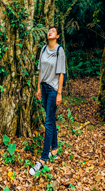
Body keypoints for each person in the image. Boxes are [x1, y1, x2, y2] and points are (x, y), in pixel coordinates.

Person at [29, 25, 66, 176]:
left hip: (53, 89)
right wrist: (38, 88)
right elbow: (40, 70)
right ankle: (55, 148)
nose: (50, 32)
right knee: (50, 119)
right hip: (43, 88)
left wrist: (59, 93)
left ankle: (43, 159)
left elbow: (61, 72)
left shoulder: (59, 50)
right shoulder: (43, 49)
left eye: (53, 31)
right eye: (49, 30)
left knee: (48, 122)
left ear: (57, 36)